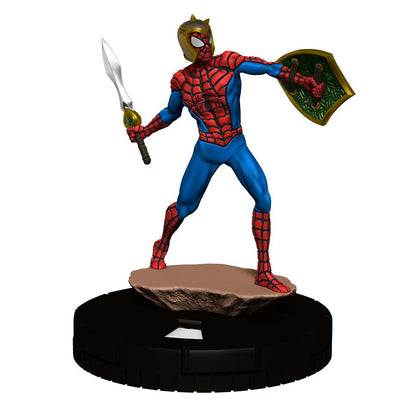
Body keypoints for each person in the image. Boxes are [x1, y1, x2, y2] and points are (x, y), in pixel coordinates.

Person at [127, 15, 324, 293]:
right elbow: (171, 113)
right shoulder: (181, 80)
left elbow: (269, 68)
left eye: (207, 38)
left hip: (234, 144)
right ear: (187, 46)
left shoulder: (229, 62)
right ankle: (161, 247)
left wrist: (304, 80)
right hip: (206, 149)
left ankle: (264, 271)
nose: (205, 45)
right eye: (198, 42)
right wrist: (144, 131)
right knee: (184, 207)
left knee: (263, 199)